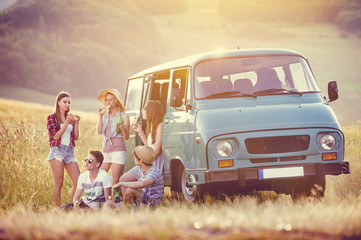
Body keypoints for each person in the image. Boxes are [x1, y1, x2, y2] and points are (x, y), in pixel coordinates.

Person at [118, 100, 164, 198]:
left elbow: (157, 150)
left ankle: (130, 205)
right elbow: (149, 147)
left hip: (152, 164)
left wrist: (144, 162)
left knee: (126, 181)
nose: (143, 110)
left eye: (145, 107)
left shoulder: (160, 126)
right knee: (123, 179)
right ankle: (129, 204)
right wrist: (140, 131)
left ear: (152, 111)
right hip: (145, 163)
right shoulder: (151, 126)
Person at [46, 91, 81, 207]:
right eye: (64, 102)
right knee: (59, 183)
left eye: (69, 102)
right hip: (57, 151)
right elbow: (55, 136)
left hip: (70, 152)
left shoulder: (70, 118)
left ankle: (73, 207)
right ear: (58, 102)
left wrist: (76, 124)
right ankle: (58, 210)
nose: (67, 104)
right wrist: (66, 123)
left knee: (79, 182)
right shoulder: (51, 118)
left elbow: (75, 137)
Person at [96, 89, 130, 185]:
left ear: (116, 101)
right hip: (106, 150)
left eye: (110, 100)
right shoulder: (105, 115)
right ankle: (103, 198)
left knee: (115, 180)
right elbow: (99, 131)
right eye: (106, 100)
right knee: (100, 177)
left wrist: (125, 129)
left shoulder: (124, 116)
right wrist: (100, 116)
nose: (108, 102)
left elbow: (126, 137)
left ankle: (116, 199)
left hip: (118, 151)